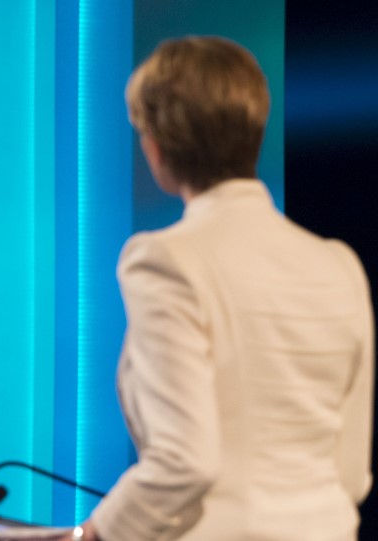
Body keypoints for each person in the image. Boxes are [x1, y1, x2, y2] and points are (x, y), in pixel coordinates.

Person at [75, 36, 374, 540]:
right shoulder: (339, 264)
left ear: (159, 144)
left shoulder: (165, 259)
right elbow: (349, 473)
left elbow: (184, 463)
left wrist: (93, 534)